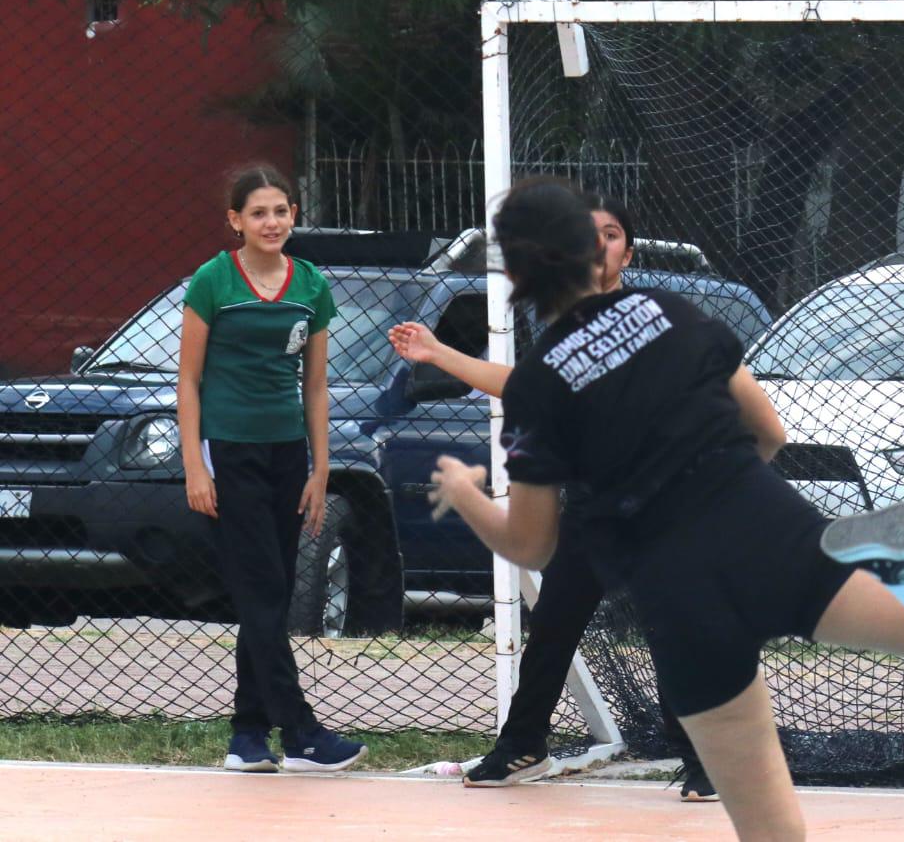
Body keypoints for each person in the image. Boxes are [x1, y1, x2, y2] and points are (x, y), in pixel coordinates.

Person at [426, 179, 904, 841]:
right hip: (773, 532)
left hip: (677, 593)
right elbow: (768, 431)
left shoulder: (538, 384)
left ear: (514, 271)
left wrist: (466, 492)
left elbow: (532, 544)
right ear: (595, 247)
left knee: (770, 828)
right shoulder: (672, 311)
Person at [390, 195, 715, 797]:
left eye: (611, 234)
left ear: (628, 252)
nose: (598, 245)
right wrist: (438, 354)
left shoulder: (654, 316)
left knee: (671, 630)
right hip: (596, 504)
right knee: (556, 624)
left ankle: (703, 761)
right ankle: (521, 748)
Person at [177, 165, 368, 774]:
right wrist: (194, 467)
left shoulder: (310, 284)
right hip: (228, 453)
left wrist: (320, 469)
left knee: (272, 595)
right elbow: (188, 380)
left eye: (281, 211)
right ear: (235, 220)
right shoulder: (212, 281)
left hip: (288, 454)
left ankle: (247, 735)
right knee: (261, 594)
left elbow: (316, 385)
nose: (272, 222)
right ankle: (303, 733)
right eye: (258, 213)